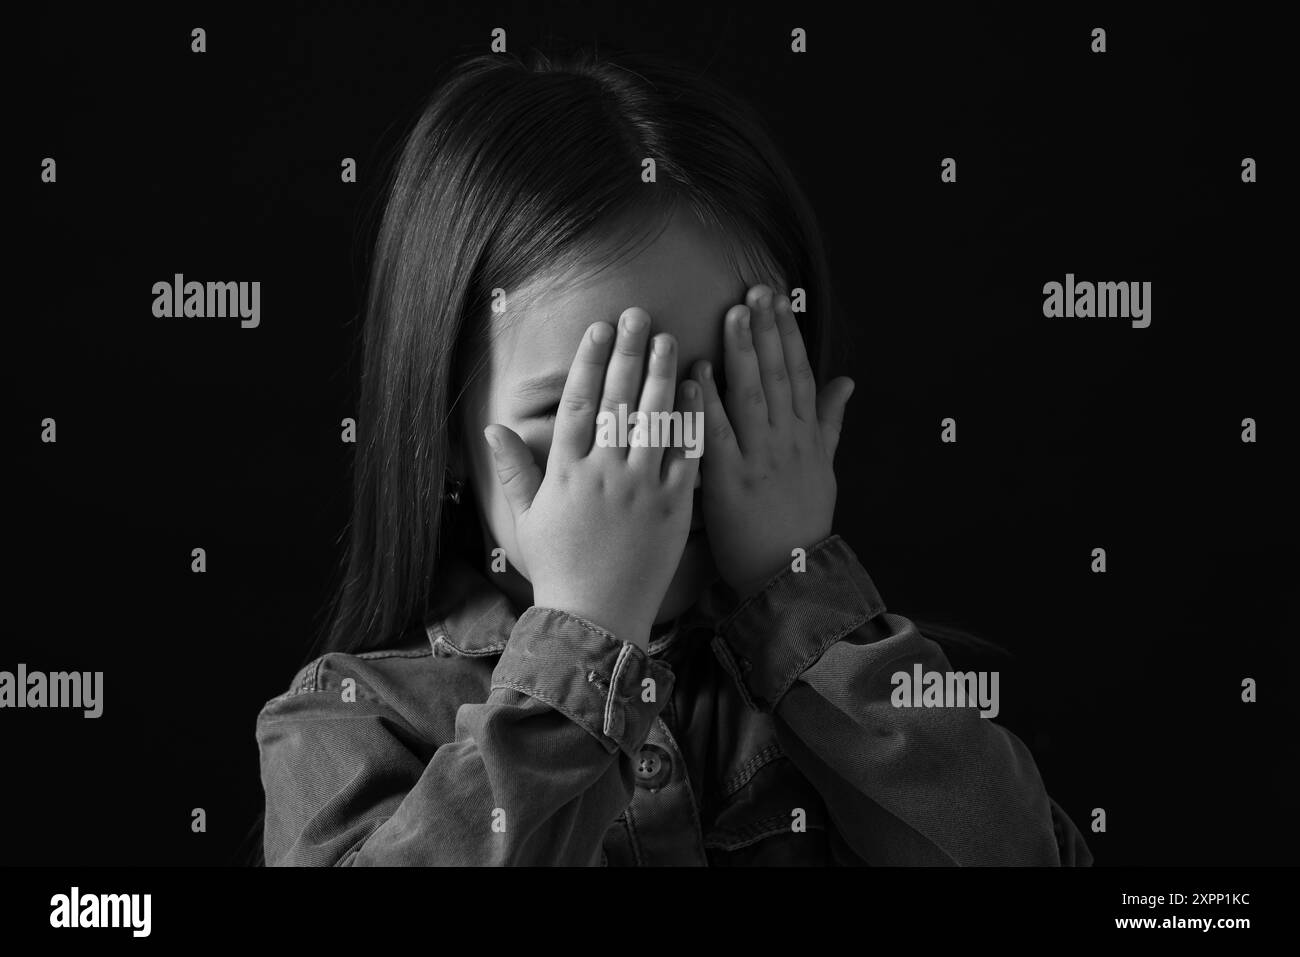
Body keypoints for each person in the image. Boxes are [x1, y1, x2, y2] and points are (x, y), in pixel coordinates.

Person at [255, 48, 1093, 866]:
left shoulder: (860, 697)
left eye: (724, 394)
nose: (668, 449)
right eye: (591, 413)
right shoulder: (348, 719)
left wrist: (800, 594)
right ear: (442, 431)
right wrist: (584, 634)